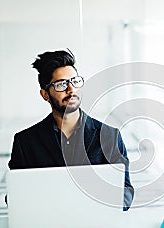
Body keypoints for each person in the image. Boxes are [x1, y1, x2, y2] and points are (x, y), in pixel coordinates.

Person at [8, 49, 134, 210]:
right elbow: (15, 196)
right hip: (48, 225)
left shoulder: (110, 136)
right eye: (61, 84)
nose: (71, 90)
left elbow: (125, 193)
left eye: (74, 81)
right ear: (45, 94)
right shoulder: (25, 142)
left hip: (96, 223)